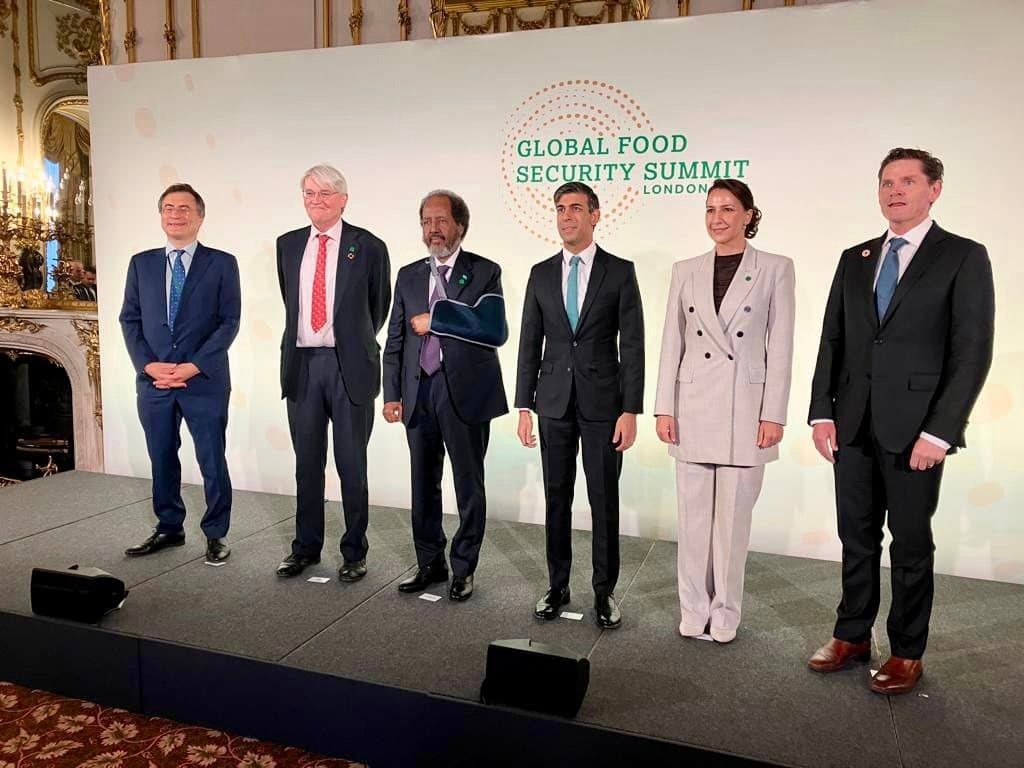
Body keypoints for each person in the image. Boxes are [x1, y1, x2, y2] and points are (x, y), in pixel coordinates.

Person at [807, 148, 994, 694]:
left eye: (908, 181)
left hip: (917, 431)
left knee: (910, 544)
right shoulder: (856, 257)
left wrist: (941, 431)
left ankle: (907, 651)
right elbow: (832, 339)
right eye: (887, 182)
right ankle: (851, 635)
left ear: (934, 189)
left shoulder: (962, 256)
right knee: (855, 536)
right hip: (852, 424)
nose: (895, 191)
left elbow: (971, 351)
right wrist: (822, 411)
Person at [653, 179, 795, 643]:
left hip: (745, 409)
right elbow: (671, 342)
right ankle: (693, 607)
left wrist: (773, 413)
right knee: (693, 521)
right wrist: (663, 407)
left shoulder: (775, 268)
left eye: (728, 209)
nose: (717, 218)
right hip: (692, 405)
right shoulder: (685, 269)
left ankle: (726, 610)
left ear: (749, 215)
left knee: (733, 525)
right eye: (711, 209)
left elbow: (782, 345)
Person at [515, 181, 644, 629]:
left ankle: (604, 592)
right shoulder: (540, 273)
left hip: (604, 406)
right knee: (556, 498)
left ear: (595, 215)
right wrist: (524, 405)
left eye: (575, 208)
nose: (566, 216)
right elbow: (529, 341)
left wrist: (630, 410)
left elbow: (633, 346)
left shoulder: (620, 272)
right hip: (552, 403)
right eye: (560, 208)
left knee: (604, 500)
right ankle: (558, 586)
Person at [382, 190, 508, 602]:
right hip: (418, 391)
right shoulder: (407, 276)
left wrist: (437, 318)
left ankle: (464, 568)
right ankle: (430, 563)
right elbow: (396, 339)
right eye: (426, 222)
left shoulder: (485, 271)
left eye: (440, 221)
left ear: (460, 226)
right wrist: (391, 393)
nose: (432, 229)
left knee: (468, 485)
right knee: (423, 484)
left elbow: (493, 329)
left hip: (464, 393)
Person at [275, 164, 391, 580]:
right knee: (306, 464)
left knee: (351, 464)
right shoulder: (288, 244)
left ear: (343, 199)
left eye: (325, 193)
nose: (316, 201)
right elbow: (291, 301)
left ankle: (354, 551)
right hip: (303, 365)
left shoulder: (369, 246)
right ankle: (305, 548)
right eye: (309, 193)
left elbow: (378, 306)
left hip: (349, 367)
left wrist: (352, 341)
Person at [119, 183, 240, 562]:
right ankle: (169, 527)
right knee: (161, 457)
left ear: (200, 217)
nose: (176, 214)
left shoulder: (222, 263)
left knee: (211, 460)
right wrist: (147, 364)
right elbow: (130, 319)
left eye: (184, 208)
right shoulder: (141, 263)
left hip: (203, 381)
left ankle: (216, 534)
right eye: (169, 208)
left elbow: (229, 322)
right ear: (161, 216)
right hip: (154, 381)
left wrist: (194, 365)